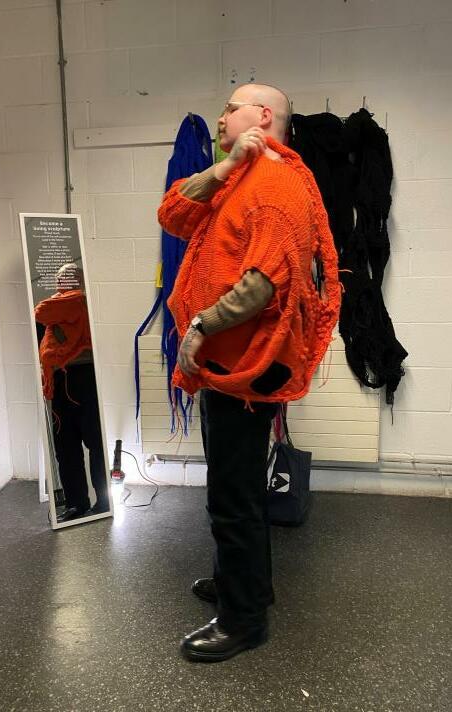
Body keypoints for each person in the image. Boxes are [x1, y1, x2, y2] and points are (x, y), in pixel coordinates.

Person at [157, 84, 341, 662]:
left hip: (245, 367)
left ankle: (244, 620)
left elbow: (265, 282)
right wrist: (225, 165)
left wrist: (200, 326)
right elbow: (173, 214)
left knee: (232, 496)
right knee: (233, 487)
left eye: (230, 108)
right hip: (226, 367)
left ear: (263, 115)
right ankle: (244, 584)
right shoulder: (241, 175)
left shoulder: (276, 184)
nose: (220, 117)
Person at [35, 264, 108, 523]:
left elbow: (41, 311)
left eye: (65, 278)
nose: (60, 283)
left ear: (78, 280)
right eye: (58, 279)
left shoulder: (78, 300)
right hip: (61, 379)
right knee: (66, 447)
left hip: (84, 377)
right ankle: (77, 503)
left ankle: (103, 502)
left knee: (95, 443)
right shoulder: (64, 305)